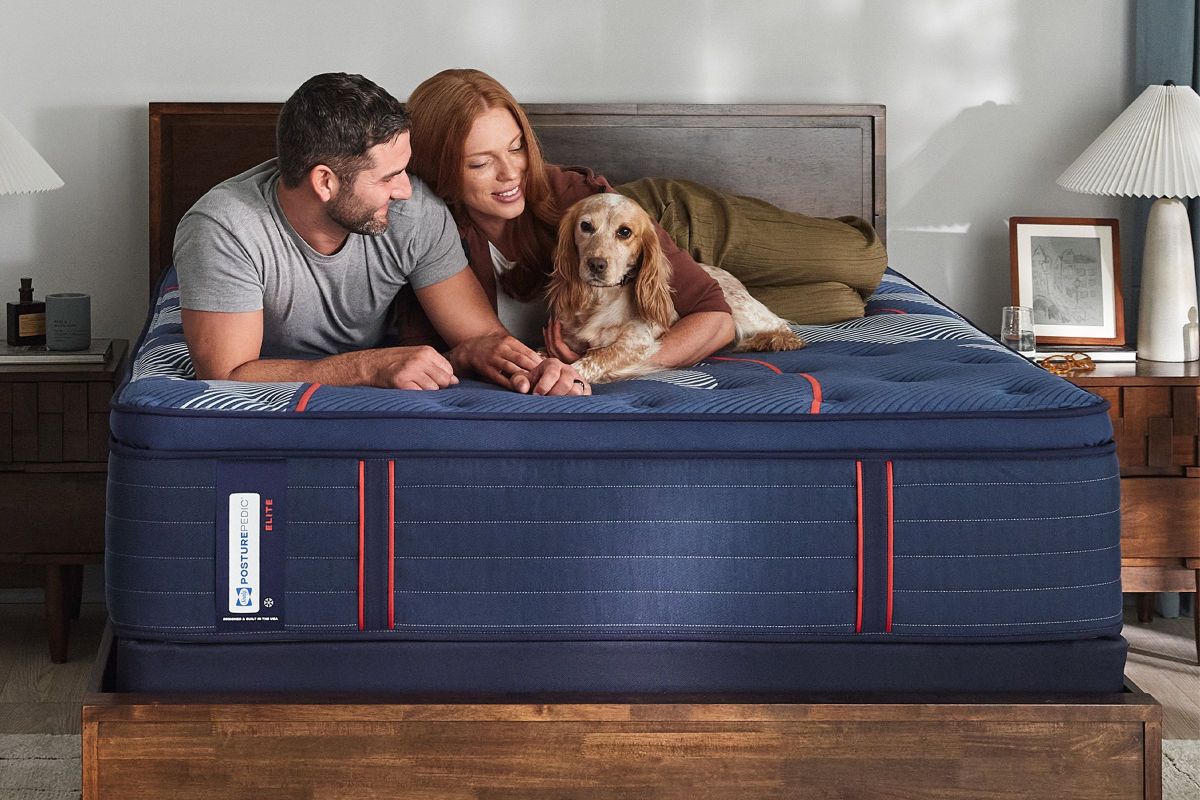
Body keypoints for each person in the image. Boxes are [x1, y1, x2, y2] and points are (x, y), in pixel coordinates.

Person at [174, 72, 587, 396]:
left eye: (404, 170)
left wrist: (537, 369)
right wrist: (368, 366)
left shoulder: (415, 211)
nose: (405, 190)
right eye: (389, 177)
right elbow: (226, 375)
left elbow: (482, 337)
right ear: (325, 182)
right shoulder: (225, 228)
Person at [400, 68, 735, 365]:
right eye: (480, 163)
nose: (511, 173)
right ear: (437, 169)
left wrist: (611, 366)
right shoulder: (422, 226)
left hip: (664, 214)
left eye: (517, 147)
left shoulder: (583, 200)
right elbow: (424, 351)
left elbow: (716, 317)